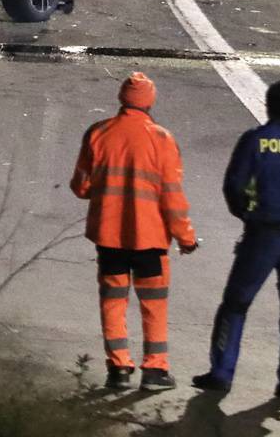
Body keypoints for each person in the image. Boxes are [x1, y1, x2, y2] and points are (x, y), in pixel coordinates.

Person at [193, 81, 280, 405]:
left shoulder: (256, 141)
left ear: (268, 105)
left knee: (236, 303)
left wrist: (245, 213)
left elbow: (234, 185)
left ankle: (221, 374)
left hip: (263, 235)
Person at [69, 71, 199, 392]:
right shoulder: (162, 140)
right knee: (153, 303)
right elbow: (173, 197)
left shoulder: (98, 133)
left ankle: (118, 369)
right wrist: (186, 238)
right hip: (150, 240)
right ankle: (155, 371)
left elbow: (81, 187)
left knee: (113, 301)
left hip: (109, 238)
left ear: (121, 99)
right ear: (150, 102)